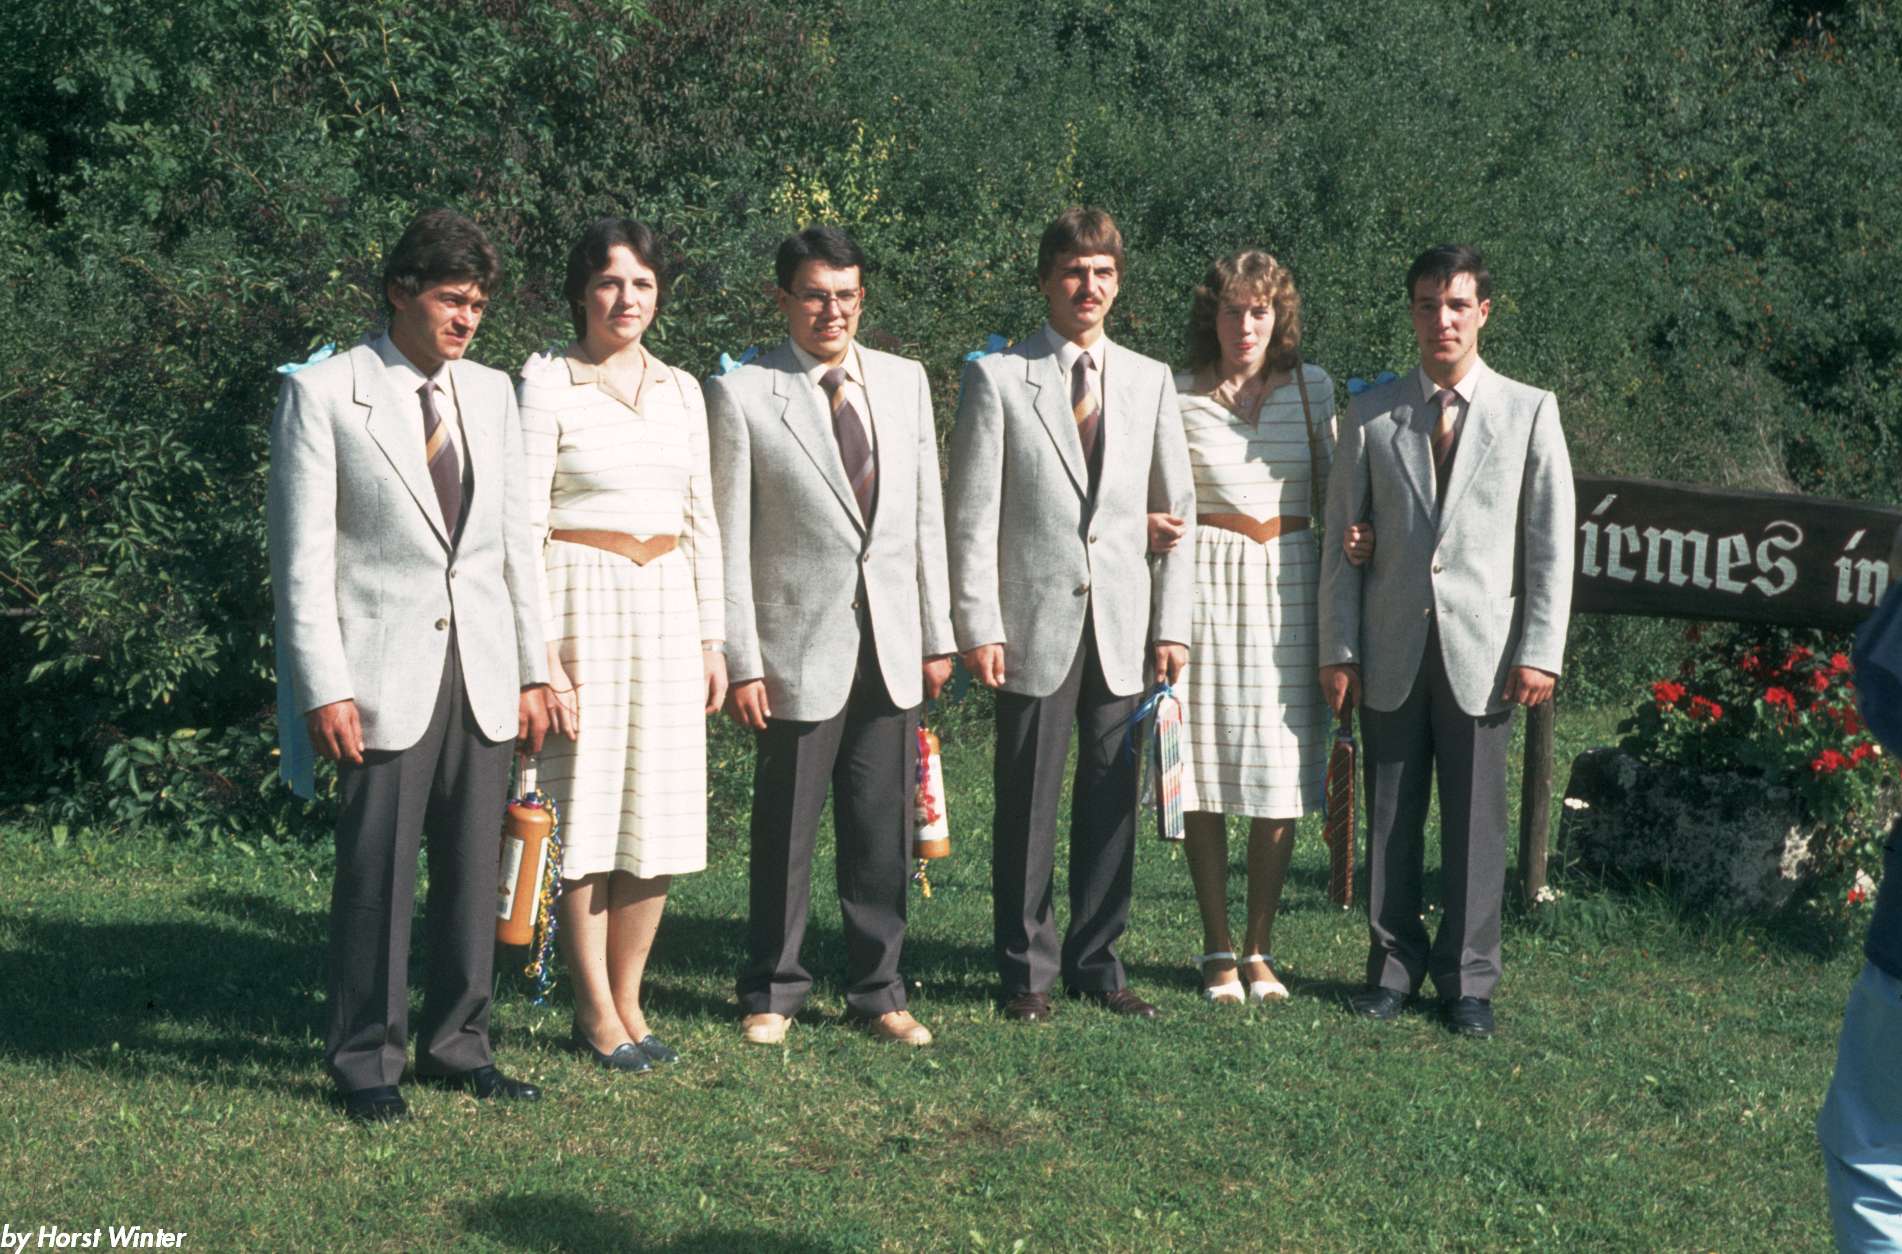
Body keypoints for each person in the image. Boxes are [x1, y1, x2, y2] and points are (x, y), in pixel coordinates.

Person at [268, 208, 554, 1123]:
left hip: (484, 668)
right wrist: (325, 686)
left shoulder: (494, 393)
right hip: (379, 676)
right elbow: (301, 563)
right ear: (400, 291)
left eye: (478, 305)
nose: (467, 319)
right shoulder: (323, 394)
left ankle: (460, 1043)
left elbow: (514, 546)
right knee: (377, 878)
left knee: (472, 874)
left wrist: (536, 670)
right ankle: (365, 1061)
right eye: (451, 300)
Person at [946, 207, 1196, 1023]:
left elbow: (1176, 512)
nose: (1089, 286)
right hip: (1030, 621)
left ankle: (1099, 960)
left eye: (1103, 272)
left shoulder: (1150, 379)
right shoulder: (997, 378)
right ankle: (1026, 971)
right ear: (1046, 280)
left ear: (1118, 283)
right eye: (1074, 271)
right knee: (1026, 801)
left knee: (1111, 796)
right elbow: (971, 518)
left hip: (1123, 623)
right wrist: (978, 623)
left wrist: (1172, 626)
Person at [1318, 243, 1575, 1038]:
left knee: (1475, 825)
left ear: (1483, 312)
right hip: (1391, 644)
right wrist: (1339, 648)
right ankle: (1392, 968)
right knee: (1390, 816)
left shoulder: (1529, 411)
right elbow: (1341, 543)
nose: (1443, 320)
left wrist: (1540, 648)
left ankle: (1468, 982)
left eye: (1458, 305)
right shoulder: (1371, 415)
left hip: (1486, 654)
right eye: (1428, 305)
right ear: (1412, 313)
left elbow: (1550, 542)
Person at [707, 226, 955, 1048]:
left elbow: (925, 519)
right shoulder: (743, 394)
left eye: (846, 295)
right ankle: (773, 991)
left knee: (880, 828)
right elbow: (730, 539)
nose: (832, 311)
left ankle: (879, 990)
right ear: (782, 299)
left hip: (890, 642)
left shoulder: (905, 382)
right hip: (793, 650)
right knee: (785, 831)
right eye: (815, 296)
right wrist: (743, 659)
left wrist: (937, 634)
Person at [517, 217, 725, 1074]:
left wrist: (713, 638)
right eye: (609, 282)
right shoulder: (546, 383)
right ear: (581, 292)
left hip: (668, 610)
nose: (625, 299)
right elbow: (520, 527)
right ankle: (593, 1008)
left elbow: (701, 520)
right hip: (580, 611)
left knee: (657, 813)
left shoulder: (683, 390)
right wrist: (542, 659)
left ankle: (632, 998)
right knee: (587, 808)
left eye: (641, 283)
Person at [1145, 251, 1371, 1003]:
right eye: (1233, 310)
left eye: (1260, 312)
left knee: (1280, 773)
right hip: (1205, 586)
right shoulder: (1174, 392)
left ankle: (1259, 948)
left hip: (1291, 586)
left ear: (1280, 318)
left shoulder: (1312, 389)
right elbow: (1152, 495)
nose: (1246, 326)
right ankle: (1216, 947)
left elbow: (1340, 493)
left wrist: (1360, 536)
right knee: (1203, 771)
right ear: (1211, 315)